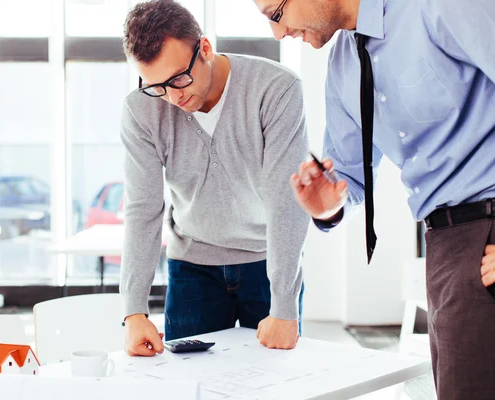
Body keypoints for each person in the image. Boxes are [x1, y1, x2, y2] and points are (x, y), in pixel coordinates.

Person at [252, 0, 495, 398]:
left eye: (276, 14)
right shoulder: (343, 65)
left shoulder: (435, 7)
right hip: (444, 247)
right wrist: (325, 204)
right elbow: (349, 178)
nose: (279, 34)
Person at [120, 0, 310, 358]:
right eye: (157, 86)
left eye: (178, 78)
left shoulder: (276, 89)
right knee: (190, 385)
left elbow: (286, 200)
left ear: (204, 48)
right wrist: (134, 311)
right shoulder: (141, 109)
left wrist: (284, 304)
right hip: (192, 268)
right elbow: (142, 208)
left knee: (278, 383)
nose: (173, 97)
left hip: (267, 263)